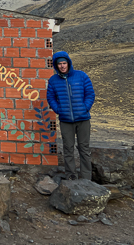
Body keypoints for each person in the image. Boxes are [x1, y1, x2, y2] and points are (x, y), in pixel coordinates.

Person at [46, 51, 96, 180]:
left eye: (64, 63)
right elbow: (50, 97)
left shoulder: (81, 76)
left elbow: (90, 94)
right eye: (59, 64)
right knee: (68, 148)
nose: (62, 66)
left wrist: (85, 108)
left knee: (84, 148)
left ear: (68, 63)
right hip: (65, 120)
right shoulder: (53, 80)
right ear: (56, 66)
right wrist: (59, 110)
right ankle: (71, 177)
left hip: (83, 119)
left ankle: (86, 178)